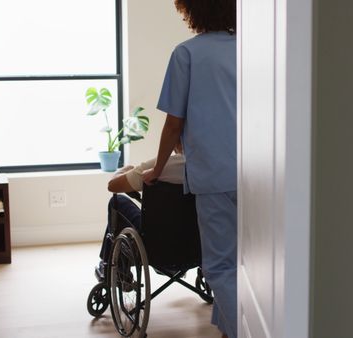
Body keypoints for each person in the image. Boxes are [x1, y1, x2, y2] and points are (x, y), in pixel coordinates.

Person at [142, 1, 237, 337]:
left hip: (214, 175)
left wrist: (157, 169)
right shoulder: (252, 50)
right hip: (259, 175)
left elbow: (173, 123)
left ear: (194, 11)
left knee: (221, 267)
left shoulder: (187, 53)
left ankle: (244, 330)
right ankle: (228, 328)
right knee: (251, 266)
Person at [94, 143, 185, 281]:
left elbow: (113, 186)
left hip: (156, 245)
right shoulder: (209, 167)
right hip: (194, 247)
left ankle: (110, 267)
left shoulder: (159, 166)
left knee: (117, 202)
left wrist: (122, 171)